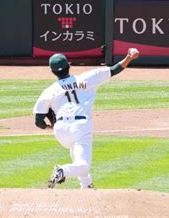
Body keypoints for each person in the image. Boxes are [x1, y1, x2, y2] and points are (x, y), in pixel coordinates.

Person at [33, 48, 140, 189]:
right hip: (80, 126)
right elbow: (114, 70)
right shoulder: (86, 78)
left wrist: (50, 127)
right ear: (68, 66)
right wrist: (129, 57)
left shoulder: (49, 91)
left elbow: (39, 121)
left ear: (52, 71)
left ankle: (86, 185)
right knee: (83, 166)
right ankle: (62, 170)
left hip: (60, 131)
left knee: (76, 152)